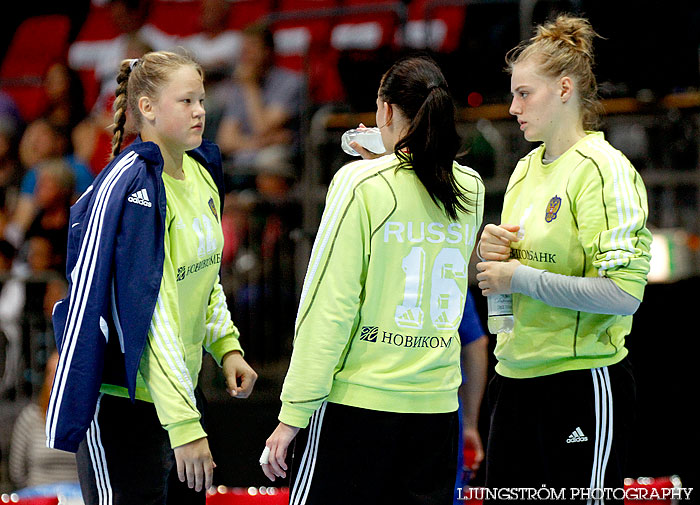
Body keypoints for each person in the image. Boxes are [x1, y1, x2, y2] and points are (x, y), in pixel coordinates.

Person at [261, 55, 485, 505]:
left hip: (359, 410)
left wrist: (293, 414)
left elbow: (330, 305)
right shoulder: (471, 187)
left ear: (384, 111)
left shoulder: (360, 183)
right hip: (437, 414)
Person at [44, 50, 258, 505]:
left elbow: (205, 278)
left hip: (178, 390)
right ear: (147, 108)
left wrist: (227, 347)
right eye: (186, 101)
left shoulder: (201, 174)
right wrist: (183, 425)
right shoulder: (134, 187)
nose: (200, 110)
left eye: (201, 99)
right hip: (123, 401)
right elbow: (151, 310)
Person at [474, 14, 652, 503]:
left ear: (566, 89)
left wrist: (520, 276)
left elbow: (622, 294)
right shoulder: (525, 169)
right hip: (512, 382)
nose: (512, 108)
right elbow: (505, 292)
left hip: (580, 382)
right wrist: (493, 263)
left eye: (524, 93)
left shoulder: (603, 170)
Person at [215, 22, 303, 189]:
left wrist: (250, 87)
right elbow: (225, 140)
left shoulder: (290, 83)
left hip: (281, 155)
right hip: (248, 152)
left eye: (252, 48)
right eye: (244, 49)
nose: (246, 55)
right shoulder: (239, 87)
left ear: (268, 51)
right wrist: (259, 142)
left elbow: (262, 127)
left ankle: (274, 215)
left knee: (268, 161)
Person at [9, 350, 80, 490]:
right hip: (39, 495)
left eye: (64, 374)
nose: (58, 381)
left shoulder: (86, 420)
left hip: (77, 497)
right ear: (46, 379)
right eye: (53, 374)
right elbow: (16, 471)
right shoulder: (30, 417)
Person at [454, 288, 488, 502]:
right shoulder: (449, 268)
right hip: (441, 407)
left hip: (359, 400)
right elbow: (476, 344)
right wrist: (469, 424)